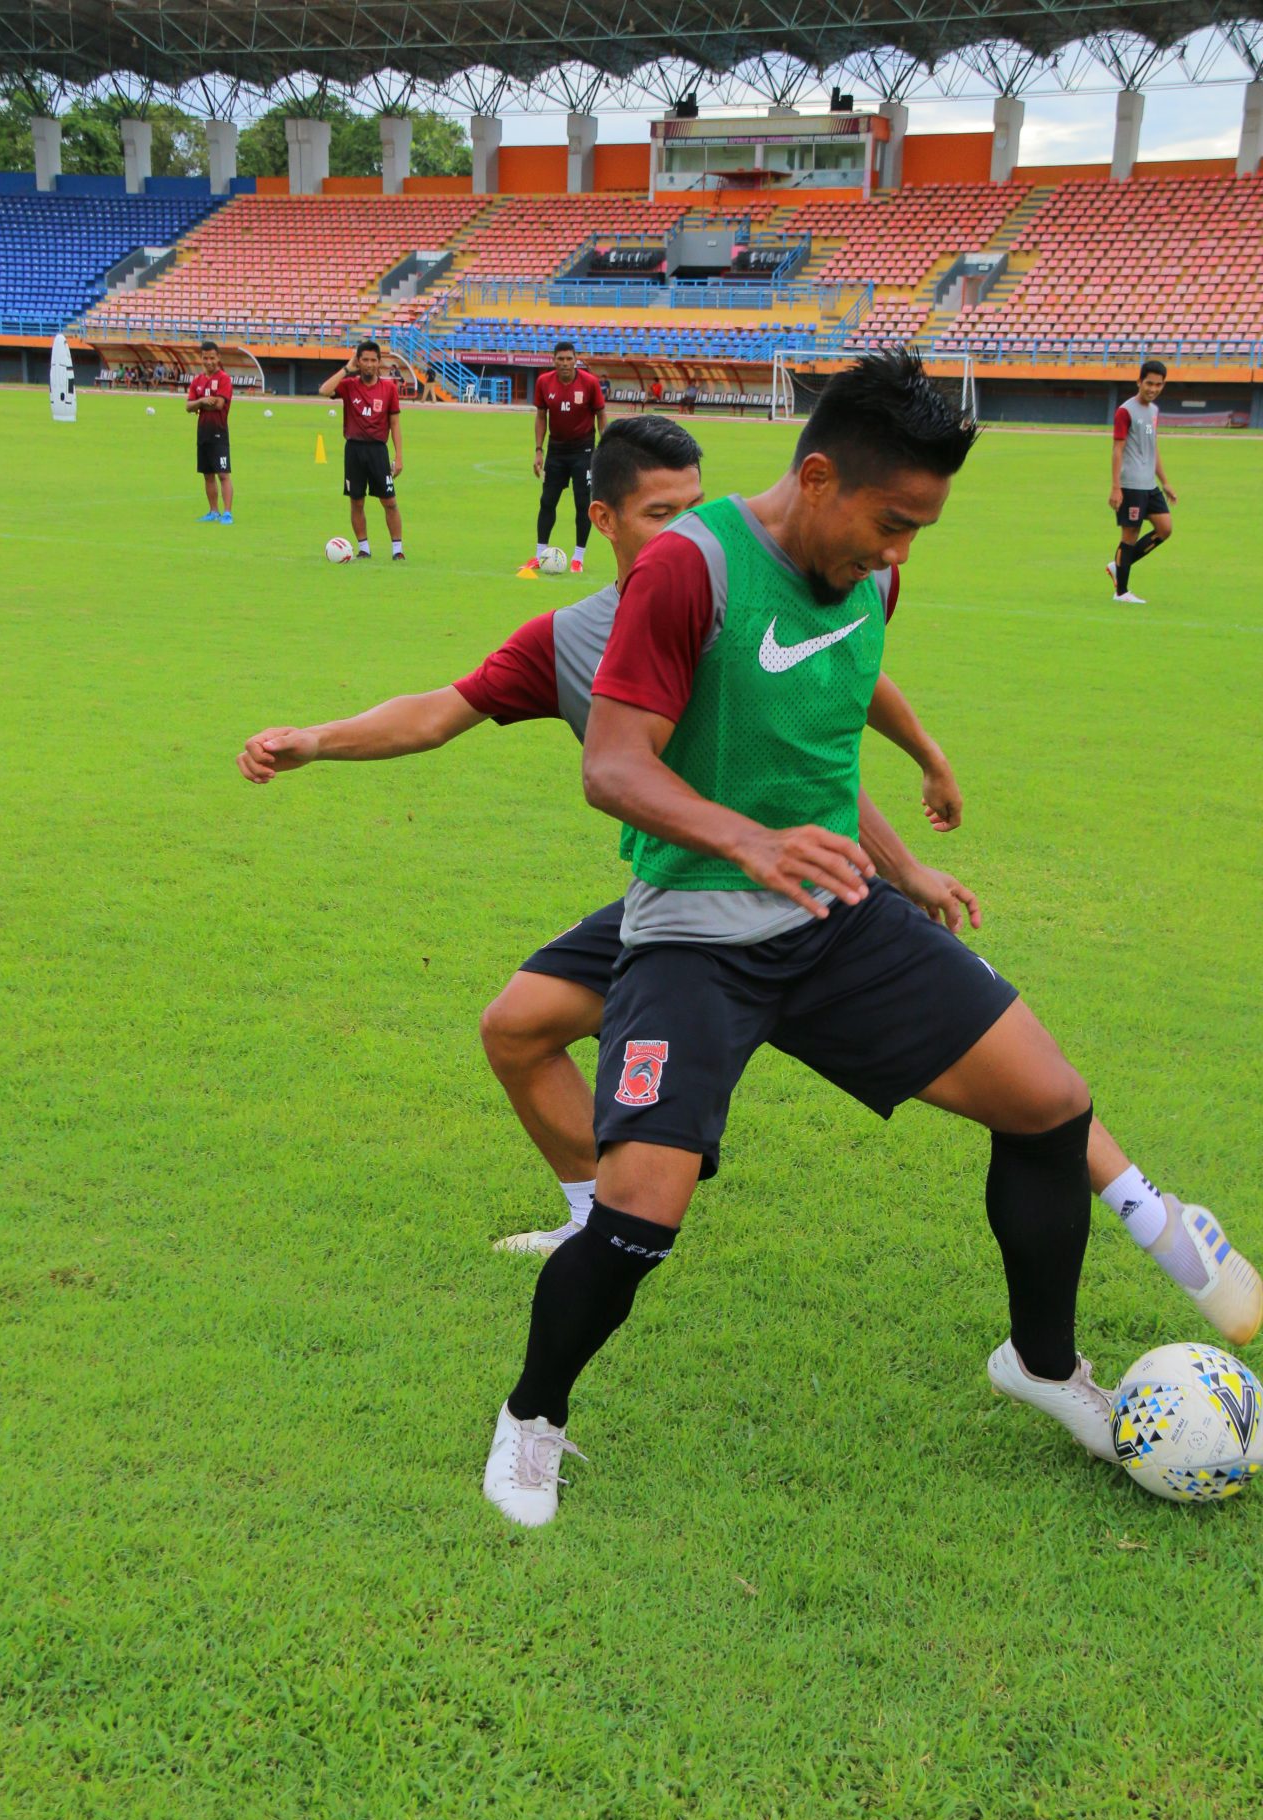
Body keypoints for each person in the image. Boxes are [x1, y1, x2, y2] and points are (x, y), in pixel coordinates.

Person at [235, 413, 1258, 1384]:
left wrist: (913, 814)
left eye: (693, 506)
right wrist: (315, 740)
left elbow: (836, 699)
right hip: (682, 900)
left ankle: (1145, 1208)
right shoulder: (573, 639)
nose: (682, 530)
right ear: (603, 523)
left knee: (1019, 1076)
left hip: (801, 899)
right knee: (515, 1027)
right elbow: (435, 713)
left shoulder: (743, 589)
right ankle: (594, 1212)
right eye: (655, 515)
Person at [482, 350, 1257, 1527]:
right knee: (639, 1214)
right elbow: (612, 764)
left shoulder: (869, 581)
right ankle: (534, 1419)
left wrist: (902, 855)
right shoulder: (688, 573)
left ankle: (1043, 1369)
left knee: (1047, 1105)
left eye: (919, 530)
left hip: (837, 921)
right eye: (890, 521)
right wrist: (748, 841)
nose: (898, 553)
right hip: (694, 932)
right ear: (817, 474)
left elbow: (824, 730)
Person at [525, 342, 608, 577]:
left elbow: (601, 414)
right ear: (553, 360)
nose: (564, 363)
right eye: (560, 359)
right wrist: (539, 449)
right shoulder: (544, 382)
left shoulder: (590, 383)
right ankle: (540, 554)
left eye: (569, 359)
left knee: (583, 504)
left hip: (583, 451)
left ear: (575, 360)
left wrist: (606, 445)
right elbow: (541, 416)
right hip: (556, 452)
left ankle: (578, 558)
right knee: (547, 501)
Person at [319, 341, 405, 562]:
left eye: (373, 360)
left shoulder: (389, 389)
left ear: (379, 363)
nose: (369, 364)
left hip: (378, 450)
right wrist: (347, 369)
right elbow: (324, 390)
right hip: (354, 450)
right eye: (364, 360)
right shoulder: (348, 385)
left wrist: (398, 456)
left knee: (390, 501)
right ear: (358, 361)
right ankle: (364, 548)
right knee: (356, 501)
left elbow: (394, 424)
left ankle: (397, 550)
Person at [1107, 360, 1176, 605]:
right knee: (1130, 535)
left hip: (1149, 484)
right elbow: (1117, 449)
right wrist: (1116, 487)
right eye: (1149, 383)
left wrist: (1165, 481)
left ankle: (1118, 565)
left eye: (1158, 385)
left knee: (1165, 528)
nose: (1153, 389)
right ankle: (1121, 592)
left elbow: (1153, 447)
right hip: (1131, 484)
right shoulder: (1125, 411)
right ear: (1139, 382)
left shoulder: (1154, 411)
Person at [186, 340, 234, 525]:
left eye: (212, 358)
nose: (209, 362)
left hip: (219, 433)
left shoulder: (224, 379)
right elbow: (188, 406)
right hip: (203, 433)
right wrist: (203, 401)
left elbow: (220, 404)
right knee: (207, 475)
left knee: (223, 474)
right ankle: (213, 511)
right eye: (205, 358)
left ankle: (227, 513)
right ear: (201, 358)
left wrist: (200, 402)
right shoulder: (197, 381)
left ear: (218, 358)